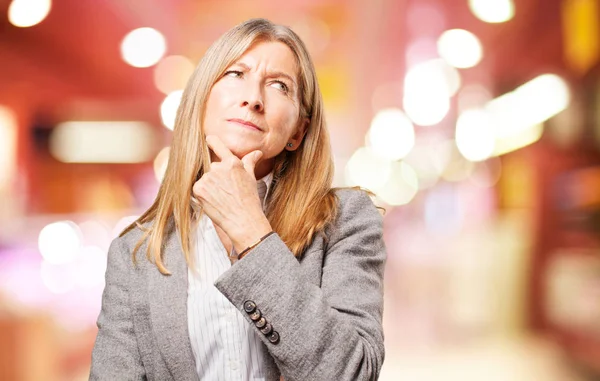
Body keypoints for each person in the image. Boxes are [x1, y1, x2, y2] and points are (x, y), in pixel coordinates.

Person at [90, 18, 386, 381]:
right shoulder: (135, 253)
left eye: (280, 85)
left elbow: (352, 372)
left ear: (298, 131)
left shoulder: (345, 222)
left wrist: (252, 233)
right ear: (201, 102)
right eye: (235, 73)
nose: (253, 98)